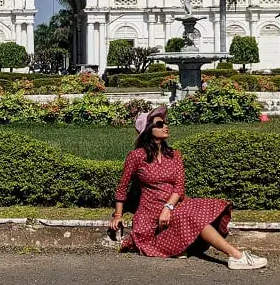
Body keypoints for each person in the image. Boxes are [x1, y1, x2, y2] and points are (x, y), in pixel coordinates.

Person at [109, 106, 268, 270]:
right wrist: (118, 215)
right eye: (159, 124)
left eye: (165, 123)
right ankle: (236, 256)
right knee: (189, 216)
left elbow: (179, 186)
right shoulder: (136, 156)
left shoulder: (174, 154)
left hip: (174, 204)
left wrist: (168, 206)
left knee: (200, 210)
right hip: (150, 213)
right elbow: (122, 187)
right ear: (148, 130)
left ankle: (235, 256)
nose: (165, 126)